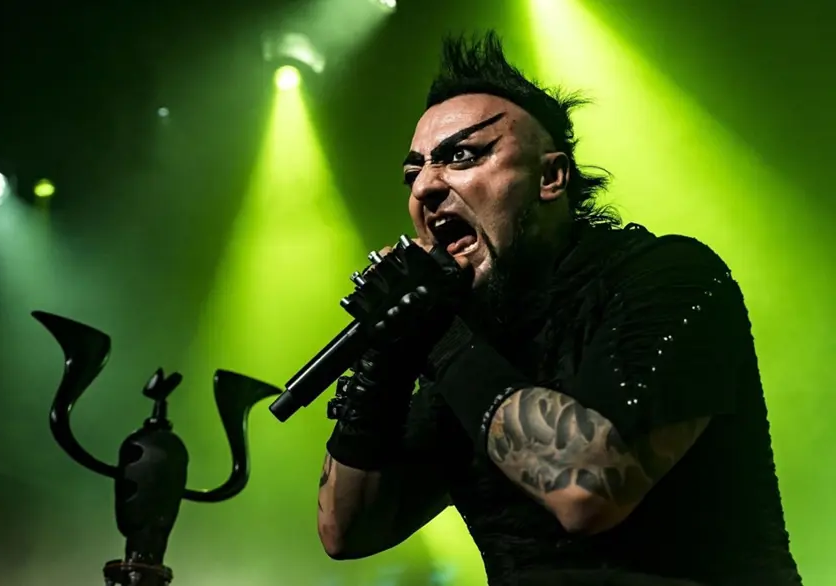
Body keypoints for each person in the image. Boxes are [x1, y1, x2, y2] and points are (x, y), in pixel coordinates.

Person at [315, 31, 803, 586]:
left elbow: (591, 489)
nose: (426, 186)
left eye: (462, 156)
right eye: (413, 173)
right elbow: (346, 532)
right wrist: (385, 362)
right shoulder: (474, 339)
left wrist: (439, 336)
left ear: (550, 177)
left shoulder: (667, 276)